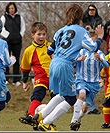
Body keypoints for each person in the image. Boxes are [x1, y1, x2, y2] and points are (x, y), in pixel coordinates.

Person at [29, 3, 104, 131]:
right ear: (80, 17)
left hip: (54, 64)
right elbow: (93, 48)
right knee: (70, 99)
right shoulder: (82, 31)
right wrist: (100, 37)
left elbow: (50, 50)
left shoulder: (60, 30)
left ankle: (40, 115)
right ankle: (46, 122)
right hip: (65, 66)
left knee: (62, 94)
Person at [70, 30, 109, 131]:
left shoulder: (100, 53)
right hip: (81, 79)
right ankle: (73, 120)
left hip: (94, 84)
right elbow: (71, 62)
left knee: (85, 108)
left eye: (94, 41)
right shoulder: (81, 52)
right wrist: (79, 59)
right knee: (81, 95)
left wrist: (100, 59)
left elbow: (107, 65)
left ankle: (78, 119)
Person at [18, 22, 53, 130]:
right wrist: (24, 82)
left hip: (54, 78)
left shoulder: (51, 47)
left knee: (56, 99)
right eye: (39, 34)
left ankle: (47, 122)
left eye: (43, 34)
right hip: (40, 78)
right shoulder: (29, 51)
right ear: (33, 35)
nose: (41, 36)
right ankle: (31, 116)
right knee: (37, 95)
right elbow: (25, 68)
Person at [1, 2, 26, 86]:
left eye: (13, 8)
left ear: (15, 9)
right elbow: (1, 28)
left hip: (17, 42)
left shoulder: (20, 17)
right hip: (7, 42)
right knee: (6, 60)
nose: (12, 10)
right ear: (8, 9)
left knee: (16, 60)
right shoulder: (4, 17)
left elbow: (23, 28)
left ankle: (16, 80)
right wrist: (8, 35)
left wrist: (20, 35)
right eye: (10, 8)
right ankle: (6, 78)